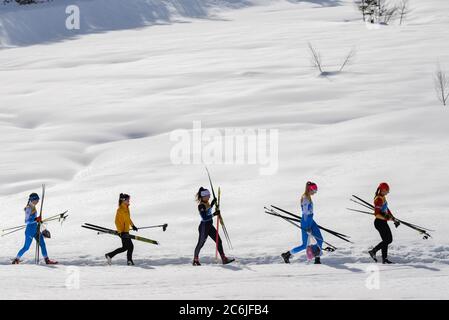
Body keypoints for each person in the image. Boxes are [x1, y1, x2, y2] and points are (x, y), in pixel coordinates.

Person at [281, 181, 323, 265]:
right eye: (314, 191)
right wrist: (307, 227)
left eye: (316, 191)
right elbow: (305, 213)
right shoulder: (305, 198)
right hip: (306, 221)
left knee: (319, 239)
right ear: (309, 189)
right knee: (304, 245)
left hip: (311, 220)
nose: (315, 192)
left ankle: (317, 258)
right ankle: (287, 254)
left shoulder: (308, 197)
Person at [12, 193, 58, 265]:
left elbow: (34, 219)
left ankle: (47, 260)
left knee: (42, 244)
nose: (38, 201)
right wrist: (36, 219)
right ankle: (16, 259)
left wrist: (38, 220)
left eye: (38, 200)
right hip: (29, 231)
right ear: (33, 199)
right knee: (26, 247)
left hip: (36, 229)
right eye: (37, 200)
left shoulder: (33, 206)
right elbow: (26, 221)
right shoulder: (28, 208)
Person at [193, 187, 234, 266]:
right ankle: (195, 260)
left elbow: (208, 210)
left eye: (209, 195)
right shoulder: (201, 206)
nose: (209, 196)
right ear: (203, 196)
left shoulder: (207, 202)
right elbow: (205, 217)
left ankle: (224, 259)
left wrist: (212, 203)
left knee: (219, 241)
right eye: (208, 195)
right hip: (204, 227)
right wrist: (214, 214)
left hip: (209, 226)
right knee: (200, 244)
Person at [368, 183, 400, 264]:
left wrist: (393, 219)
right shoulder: (378, 199)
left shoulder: (383, 197)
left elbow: (386, 209)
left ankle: (384, 258)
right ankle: (373, 251)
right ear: (382, 190)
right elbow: (377, 214)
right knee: (388, 240)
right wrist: (387, 218)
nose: (388, 192)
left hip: (383, 222)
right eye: (387, 190)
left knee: (386, 240)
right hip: (379, 222)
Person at [105, 193, 138, 266]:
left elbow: (128, 219)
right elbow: (116, 222)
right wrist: (120, 232)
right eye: (128, 200)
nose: (129, 201)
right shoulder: (120, 210)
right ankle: (129, 261)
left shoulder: (126, 207)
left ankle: (109, 255)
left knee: (125, 247)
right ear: (124, 200)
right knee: (130, 247)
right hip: (123, 232)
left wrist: (133, 226)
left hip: (126, 231)